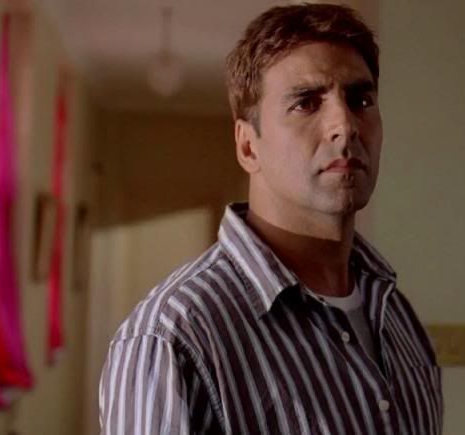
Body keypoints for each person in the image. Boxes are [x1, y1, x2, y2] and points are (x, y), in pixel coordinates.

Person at [99, 4, 442, 434]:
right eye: (306, 103)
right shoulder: (174, 337)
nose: (345, 125)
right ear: (248, 146)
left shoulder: (398, 318)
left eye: (361, 100)